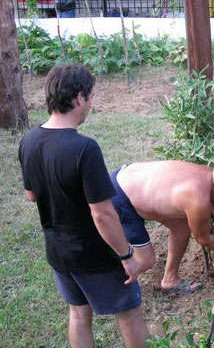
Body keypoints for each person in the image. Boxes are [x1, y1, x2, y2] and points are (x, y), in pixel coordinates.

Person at [18, 63, 149, 348]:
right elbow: (102, 215)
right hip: (94, 254)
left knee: (78, 313)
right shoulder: (85, 148)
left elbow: (31, 194)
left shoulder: (28, 140)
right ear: (79, 98)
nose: (91, 103)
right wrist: (126, 256)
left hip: (57, 251)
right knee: (130, 313)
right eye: (91, 96)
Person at [109, 160, 214, 294]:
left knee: (182, 226)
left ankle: (170, 280)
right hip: (120, 196)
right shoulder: (197, 199)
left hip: (130, 178)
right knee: (145, 260)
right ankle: (107, 284)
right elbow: (204, 239)